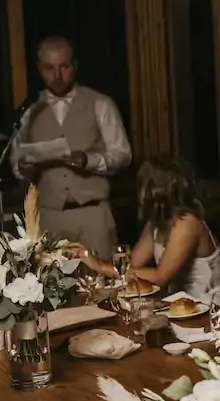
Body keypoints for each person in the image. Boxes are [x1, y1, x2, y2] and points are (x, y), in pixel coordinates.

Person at [11, 36, 131, 259]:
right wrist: (24, 168)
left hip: (93, 214)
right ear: (39, 69)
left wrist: (89, 160)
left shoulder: (100, 103)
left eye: (64, 67)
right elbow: (16, 163)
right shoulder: (30, 110)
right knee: (51, 286)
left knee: (103, 285)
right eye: (49, 68)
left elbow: (123, 154)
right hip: (48, 216)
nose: (57, 76)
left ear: (74, 65)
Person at [74, 157, 220, 301]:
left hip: (212, 308)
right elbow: (131, 264)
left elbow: (159, 278)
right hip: (180, 306)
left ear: (154, 190)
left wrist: (99, 265)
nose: (139, 193)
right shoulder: (157, 221)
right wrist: (89, 259)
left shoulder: (187, 223)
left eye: (142, 185)